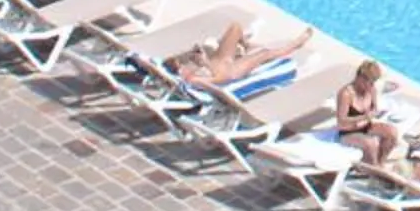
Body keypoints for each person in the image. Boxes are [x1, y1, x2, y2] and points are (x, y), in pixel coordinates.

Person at [169, 21, 312, 87]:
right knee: (264, 53)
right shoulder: (193, 80)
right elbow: (220, 79)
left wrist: (201, 60)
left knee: (235, 27)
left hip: (217, 62)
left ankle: (246, 45)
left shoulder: (182, 69)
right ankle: (295, 45)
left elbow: (185, 64)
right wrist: (205, 63)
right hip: (229, 71)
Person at [335, 60, 401, 166]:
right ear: (360, 77)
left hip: (366, 126)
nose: (370, 85)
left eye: (373, 82)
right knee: (371, 144)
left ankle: (381, 162)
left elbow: (375, 107)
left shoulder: (371, 89)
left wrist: (375, 113)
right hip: (348, 131)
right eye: (369, 82)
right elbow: (341, 120)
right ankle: (373, 167)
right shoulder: (346, 94)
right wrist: (363, 117)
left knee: (392, 132)